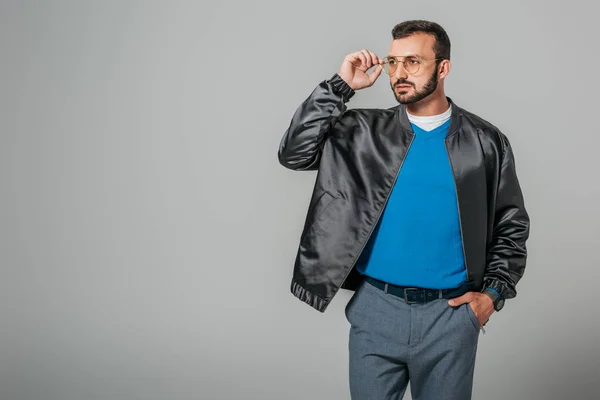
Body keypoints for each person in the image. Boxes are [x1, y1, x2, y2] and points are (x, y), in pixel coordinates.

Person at [277, 20, 530, 400]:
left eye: (412, 62)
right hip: (376, 309)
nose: (399, 73)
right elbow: (294, 154)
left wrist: (492, 294)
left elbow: (511, 224)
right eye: (392, 62)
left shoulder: (485, 142)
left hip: (451, 314)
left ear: (442, 68)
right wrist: (340, 87)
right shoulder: (360, 131)